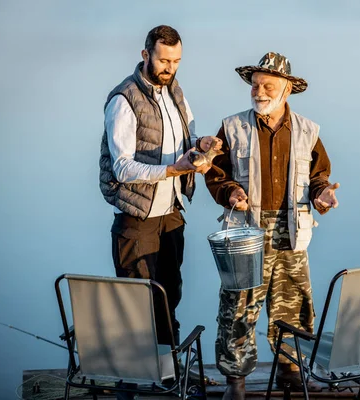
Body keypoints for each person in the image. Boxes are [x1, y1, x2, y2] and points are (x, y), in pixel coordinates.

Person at [204, 52, 340, 399]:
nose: (259, 92)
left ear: (287, 90)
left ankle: (290, 372)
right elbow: (216, 173)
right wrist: (231, 191)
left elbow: (319, 175)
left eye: (268, 85)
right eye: (255, 85)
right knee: (238, 305)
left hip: (292, 231)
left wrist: (323, 195)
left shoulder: (308, 131)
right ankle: (236, 380)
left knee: (293, 304)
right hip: (247, 231)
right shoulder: (232, 127)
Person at [99, 25, 220, 346]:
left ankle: (170, 370)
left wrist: (203, 143)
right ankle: (138, 377)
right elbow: (122, 168)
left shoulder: (175, 92)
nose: (170, 68)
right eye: (164, 61)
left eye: (176, 61)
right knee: (139, 303)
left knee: (170, 294)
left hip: (170, 213)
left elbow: (187, 140)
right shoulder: (124, 99)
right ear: (145, 55)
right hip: (136, 220)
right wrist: (172, 169)